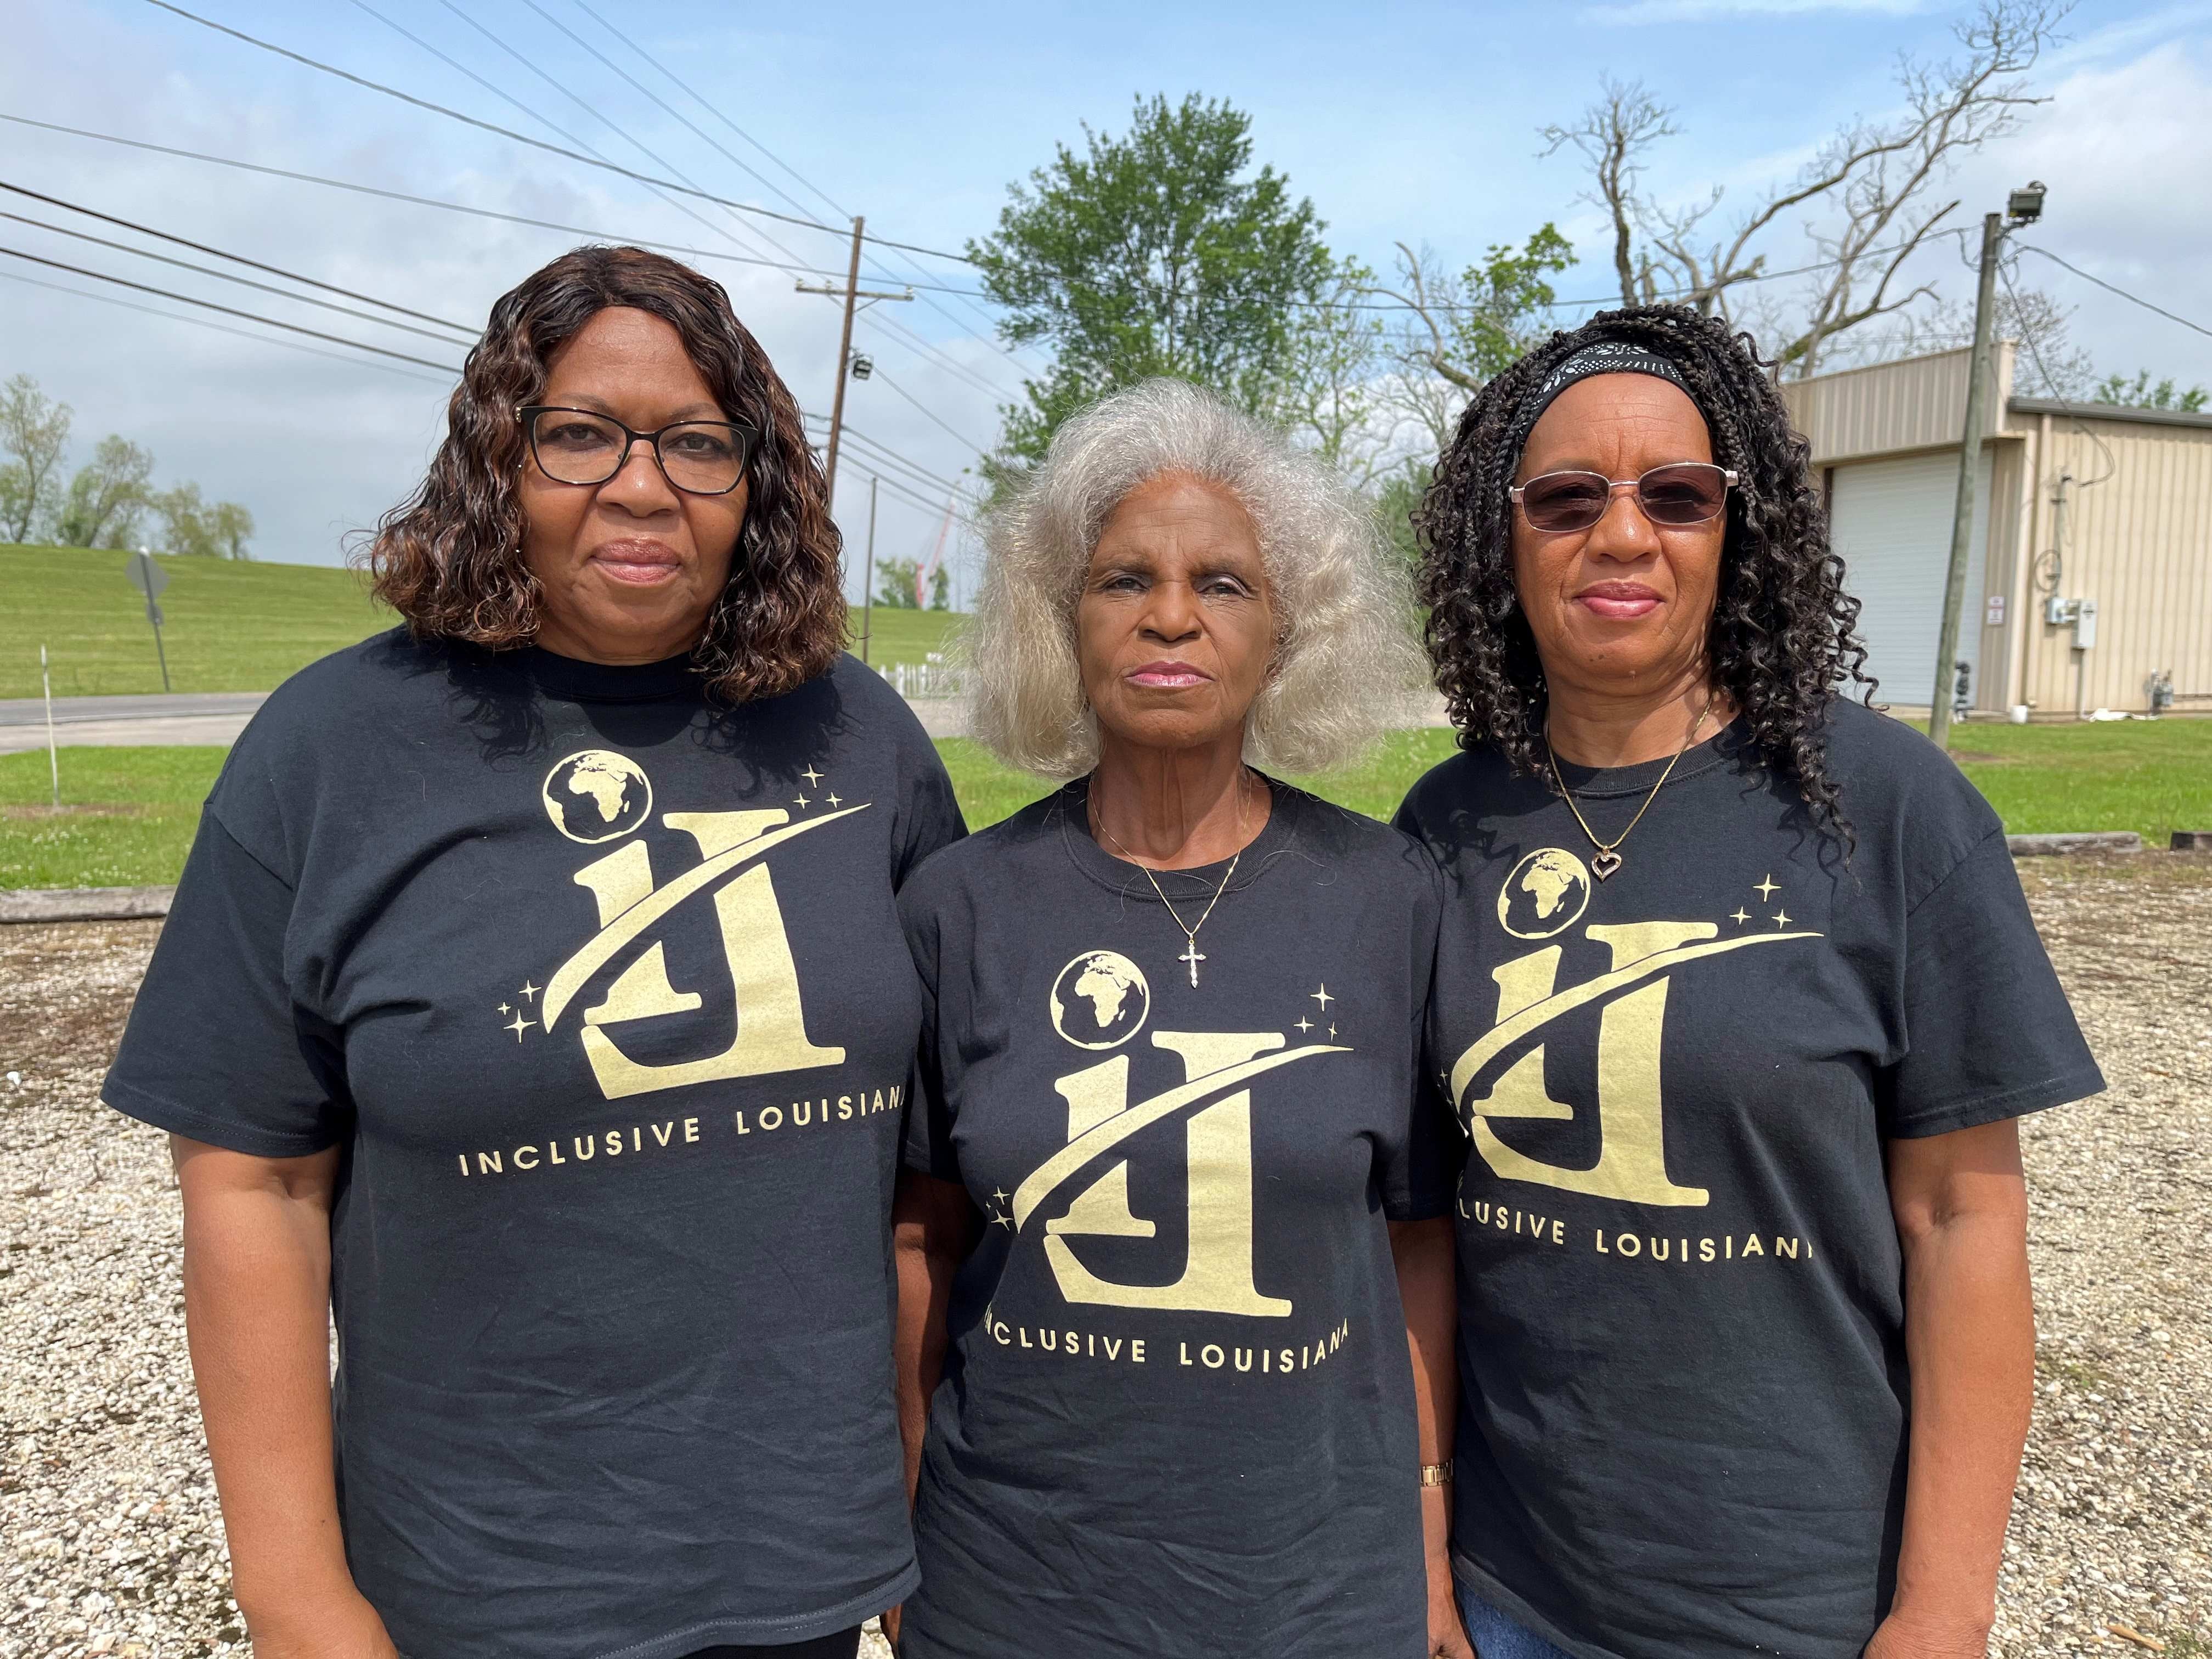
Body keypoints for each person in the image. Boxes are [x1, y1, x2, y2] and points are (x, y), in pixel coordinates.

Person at [100, 246, 963, 1659]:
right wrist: (295, 1595)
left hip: (805, 1567)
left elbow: (940, 1165)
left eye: (698, 443)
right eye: (579, 434)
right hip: (473, 1583)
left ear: (757, 482)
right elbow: (254, 1182)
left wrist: (925, 1507)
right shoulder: (332, 752)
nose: (642, 485)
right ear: (498, 456)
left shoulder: (860, 737)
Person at [1395, 307, 2104, 1659]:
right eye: (1564, 499)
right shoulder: (1440, 834)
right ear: (1501, 536)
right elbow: (1421, 1228)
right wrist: (1422, 1546)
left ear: (1743, 529)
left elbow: (1965, 1222)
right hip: (1512, 1589)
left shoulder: (1885, 810)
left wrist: (1944, 1606)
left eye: (1677, 495)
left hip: (1802, 1602)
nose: (1622, 536)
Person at [888, 379, 1469, 1658]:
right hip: (1010, 1593)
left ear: (1291, 632)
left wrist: (1426, 1528)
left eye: (1222, 583)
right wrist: (914, 1503)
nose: (1169, 615)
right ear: (1062, 620)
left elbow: (1420, 1241)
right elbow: (918, 1240)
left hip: (1313, 1596)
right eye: (1122, 580)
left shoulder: (1390, 897)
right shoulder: (959, 906)